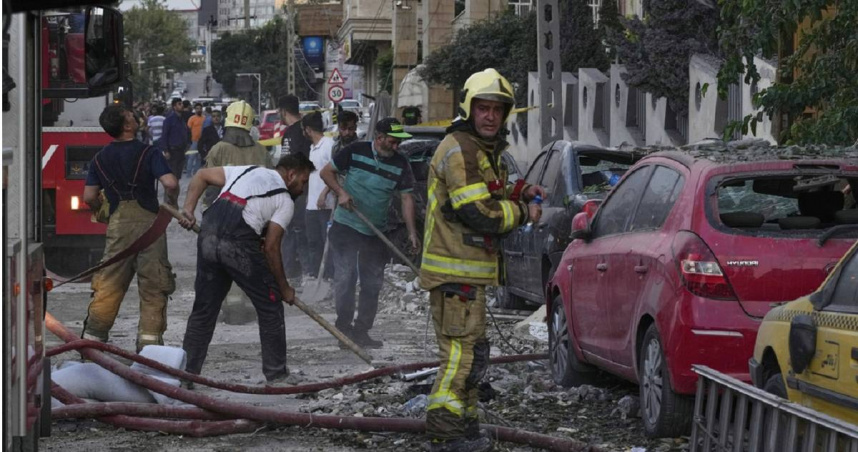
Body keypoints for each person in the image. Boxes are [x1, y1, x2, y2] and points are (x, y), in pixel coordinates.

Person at [419, 69, 545, 452]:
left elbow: (494, 187)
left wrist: (521, 189)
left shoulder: (481, 150)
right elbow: (476, 210)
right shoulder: (460, 148)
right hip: (454, 270)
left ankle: (465, 424)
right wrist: (523, 212)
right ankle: (445, 432)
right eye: (483, 107)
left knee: (473, 353)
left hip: (467, 274)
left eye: (498, 109)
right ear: (469, 108)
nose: (490, 115)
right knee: (459, 354)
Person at [177, 153, 314, 385]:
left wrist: (188, 209)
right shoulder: (284, 200)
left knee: (203, 311)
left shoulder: (246, 169)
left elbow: (201, 175)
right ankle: (277, 375)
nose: (303, 189)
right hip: (237, 246)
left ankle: (186, 375)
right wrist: (283, 288)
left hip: (208, 238)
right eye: (303, 182)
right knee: (270, 306)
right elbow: (271, 248)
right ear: (291, 175)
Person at [81, 104, 179, 352]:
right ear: (126, 126)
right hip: (151, 228)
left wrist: (102, 211)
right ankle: (149, 347)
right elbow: (170, 182)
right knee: (154, 285)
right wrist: (171, 204)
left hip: (118, 226)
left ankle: (92, 342)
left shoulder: (99, 158)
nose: (136, 117)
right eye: (131, 116)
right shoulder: (150, 152)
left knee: (109, 284)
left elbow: (89, 196)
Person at [319, 117, 420, 349]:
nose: (396, 147)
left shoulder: (401, 164)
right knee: (345, 279)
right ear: (379, 138)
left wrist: (412, 232)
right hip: (346, 226)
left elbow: (406, 198)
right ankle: (343, 330)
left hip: (375, 233)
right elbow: (326, 173)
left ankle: (361, 330)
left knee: (372, 283)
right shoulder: (355, 151)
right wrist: (340, 193)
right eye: (393, 142)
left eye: (398, 143)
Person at [202, 101, 271, 207]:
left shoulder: (218, 149)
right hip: (258, 209)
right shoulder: (262, 150)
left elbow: (211, 187)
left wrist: (208, 210)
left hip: (227, 209)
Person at [274, 95, 311, 280]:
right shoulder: (293, 131)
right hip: (292, 191)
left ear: (283, 111)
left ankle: (301, 274)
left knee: (297, 231)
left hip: (299, 192)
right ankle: (292, 273)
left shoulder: (299, 132)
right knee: (291, 232)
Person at [302, 112, 335, 279]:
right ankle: (315, 276)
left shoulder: (328, 145)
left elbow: (335, 172)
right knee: (313, 242)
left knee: (327, 243)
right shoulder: (312, 148)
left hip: (326, 205)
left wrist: (324, 194)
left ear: (308, 129)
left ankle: (329, 277)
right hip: (312, 205)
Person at [161, 97, 190, 191]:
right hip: (172, 151)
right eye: (179, 104)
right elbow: (164, 135)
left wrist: (187, 145)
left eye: (182, 104)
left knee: (177, 176)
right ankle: (169, 200)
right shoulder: (169, 120)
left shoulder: (182, 120)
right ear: (174, 106)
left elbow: (185, 133)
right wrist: (166, 150)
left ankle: (174, 200)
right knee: (172, 177)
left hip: (181, 151)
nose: (181, 106)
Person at [186, 102, 205, 177]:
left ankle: (196, 173)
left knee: (199, 158)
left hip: (202, 142)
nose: (199, 110)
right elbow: (188, 130)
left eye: (200, 108)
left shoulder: (204, 118)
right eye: (197, 109)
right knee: (191, 157)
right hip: (194, 141)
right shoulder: (192, 118)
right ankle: (188, 173)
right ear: (195, 110)